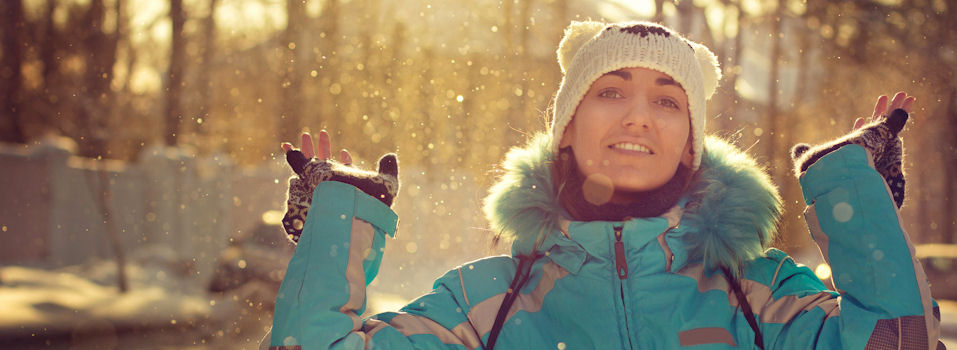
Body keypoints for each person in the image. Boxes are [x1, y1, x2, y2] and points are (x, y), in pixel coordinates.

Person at [263, 20, 943, 349]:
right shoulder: (485, 304)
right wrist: (339, 222)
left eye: (668, 101)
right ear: (563, 128)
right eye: (610, 91)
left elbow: (896, 342)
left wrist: (857, 202)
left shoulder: (760, 295)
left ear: (691, 145)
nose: (638, 117)